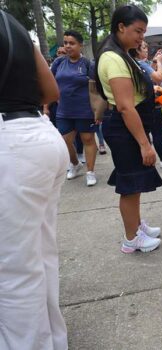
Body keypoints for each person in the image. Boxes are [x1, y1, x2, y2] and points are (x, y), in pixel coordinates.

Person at [0, 9, 68, 349]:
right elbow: (49, 90)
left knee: (12, 273)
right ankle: (53, 339)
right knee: (39, 255)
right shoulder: (11, 22)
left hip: (11, 143)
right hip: (37, 136)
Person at [95, 4, 162, 253]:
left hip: (128, 126)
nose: (141, 37)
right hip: (125, 128)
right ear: (120, 27)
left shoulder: (122, 54)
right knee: (130, 184)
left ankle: (136, 225)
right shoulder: (113, 58)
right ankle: (131, 238)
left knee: (135, 183)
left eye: (143, 32)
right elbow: (125, 106)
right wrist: (145, 144)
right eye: (137, 31)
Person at [45, 30, 99, 186]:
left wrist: (98, 110)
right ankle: (75, 164)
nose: (68, 46)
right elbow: (50, 84)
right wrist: (46, 107)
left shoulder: (88, 64)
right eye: (66, 43)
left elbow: (96, 89)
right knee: (64, 141)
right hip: (63, 110)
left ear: (80, 45)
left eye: (72, 43)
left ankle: (90, 172)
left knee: (87, 139)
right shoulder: (58, 63)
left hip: (85, 110)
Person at [130, 41, 162, 168]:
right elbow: (158, 78)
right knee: (156, 133)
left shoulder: (134, 63)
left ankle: (147, 159)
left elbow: (149, 73)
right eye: (144, 48)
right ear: (137, 50)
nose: (147, 50)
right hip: (150, 104)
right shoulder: (140, 63)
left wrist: (153, 60)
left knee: (147, 133)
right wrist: (159, 62)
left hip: (141, 103)